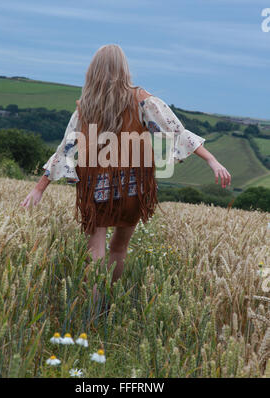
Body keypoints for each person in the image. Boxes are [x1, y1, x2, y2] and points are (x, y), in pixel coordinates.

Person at [21, 44, 231, 289]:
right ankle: (110, 297)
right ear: (124, 69)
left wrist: (39, 188)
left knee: (95, 246)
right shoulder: (141, 99)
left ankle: (95, 303)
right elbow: (175, 131)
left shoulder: (85, 106)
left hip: (93, 183)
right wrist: (211, 159)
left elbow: (65, 149)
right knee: (119, 247)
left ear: (93, 71)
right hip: (133, 184)